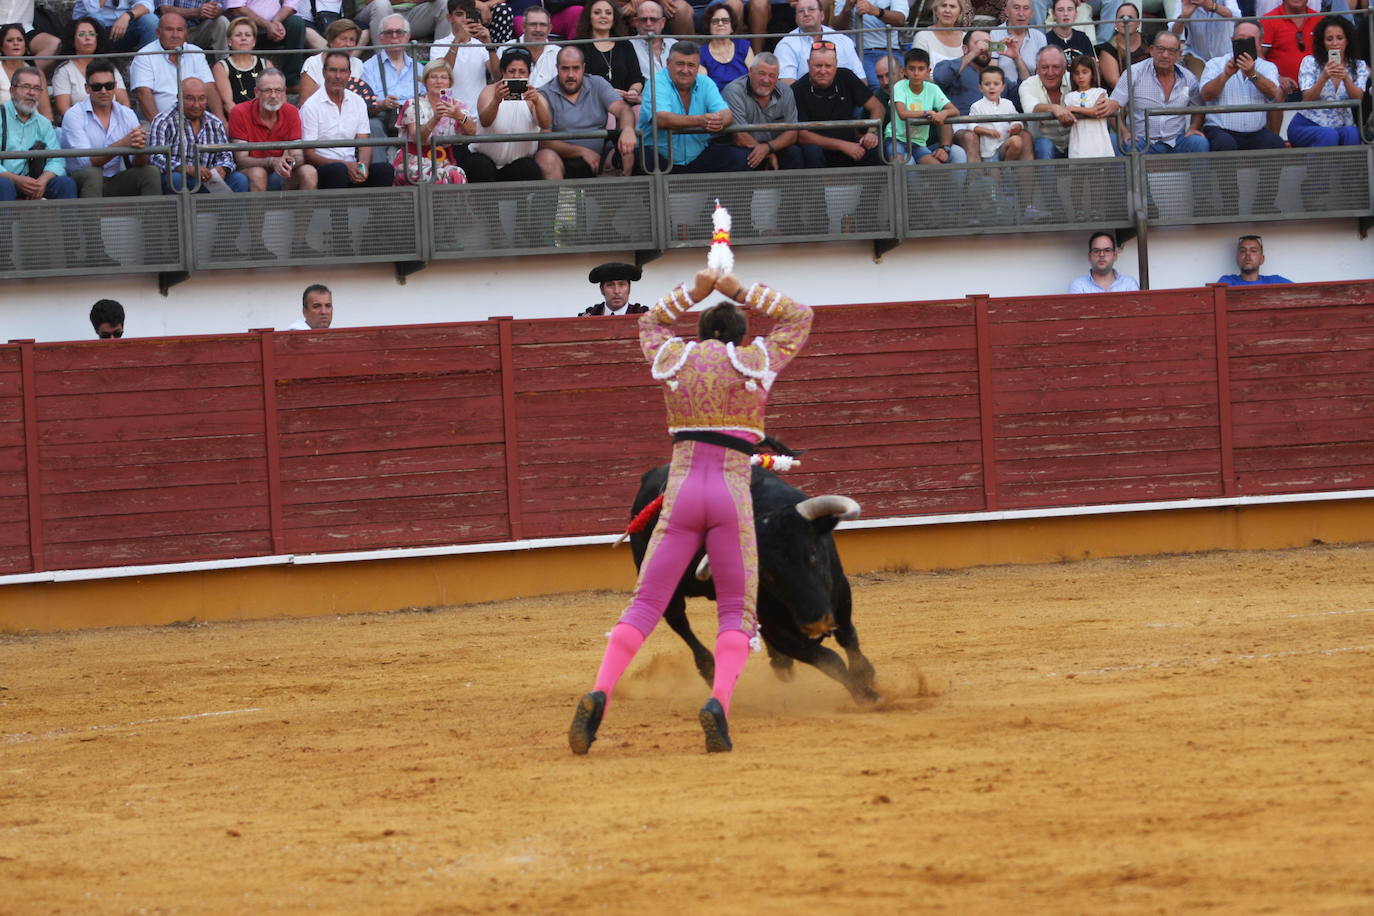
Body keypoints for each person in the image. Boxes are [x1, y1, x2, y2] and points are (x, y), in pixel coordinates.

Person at [567, 266, 814, 756]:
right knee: (736, 612)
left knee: (644, 604)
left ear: (698, 333)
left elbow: (649, 322)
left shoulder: (673, 359)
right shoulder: (756, 361)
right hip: (729, 494)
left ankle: (600, 691)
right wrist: (739, 288)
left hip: (680, 495)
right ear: (742, 335)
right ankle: (718, 703)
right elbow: (798, 316)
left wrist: (695, 290)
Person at [636, 41, 747, 173]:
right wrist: (701, 120)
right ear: (667, 63)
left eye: (691, 65)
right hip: (659, 159)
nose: (685, 70)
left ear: (698, 67)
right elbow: (661, 119)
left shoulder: (706, 82)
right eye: (680, 64)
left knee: (740, 158)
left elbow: (727, 114)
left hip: (698, 157)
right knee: (639, 157)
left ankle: (717, 194)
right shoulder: (656, 82)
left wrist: (718, 120)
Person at [61, 60, 161, 198]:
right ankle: (90, 220)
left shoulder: (126, 113)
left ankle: (154, 219)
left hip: (113, 179)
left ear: (115, 87)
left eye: (109, 86)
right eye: (97, 87)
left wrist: (140, 148)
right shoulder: (74, 115)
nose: (104, 91)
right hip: (79, 179)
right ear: (87, 88)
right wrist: (123, 144)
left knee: (150, 172)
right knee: (93, 173)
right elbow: (87, 162)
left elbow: (136, 163)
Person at [536, 45, 637, 178]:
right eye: (565, 69)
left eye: (576, 68)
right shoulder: (545, 93)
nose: (570, 75)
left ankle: (618, 197)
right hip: (562, 158)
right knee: (545, 157)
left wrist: (628, 129)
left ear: (583, 68)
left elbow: (623, 109)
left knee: (627, 149)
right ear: (557, 69)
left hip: (600, 157)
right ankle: (561, 198)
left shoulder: (597, 84)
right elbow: (544, 141)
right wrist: (582, 152)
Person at [302, 50, 398, 187]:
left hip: (352, 166)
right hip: (325, 168)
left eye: (343, 71)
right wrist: (346, 166)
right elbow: (309, 154)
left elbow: (364, 143)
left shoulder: (358, 101)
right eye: (333, 70)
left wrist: (362, 167)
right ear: (324, 73)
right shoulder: (311, 106)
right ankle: (339, 209)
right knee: (338, 170)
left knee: (385, 170)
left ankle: (378, 209)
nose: (338, 76)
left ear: (349, 74)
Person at [1110, 31, 1206, 153]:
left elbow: (1199, 108)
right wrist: (1124, 133)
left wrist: (1193, 127)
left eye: (1171, 51)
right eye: (1161, 49)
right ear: (1151, 50)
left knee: (1199, 142)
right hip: (1141, 142)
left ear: (1179, 54)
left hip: (1176, 141)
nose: (1165, 55)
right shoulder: (1134, 73)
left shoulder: (1188, 78)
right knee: (1125, 144)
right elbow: (1112, 107)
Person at [793, 42, 886, 168]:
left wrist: (871, 132)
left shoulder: (846, 76)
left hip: (851, 145)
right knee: (811, 151)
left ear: (836, 65)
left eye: (828, 66)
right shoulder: (798, 89)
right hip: (821, 148)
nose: (823, 71)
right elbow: (801, 136)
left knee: (877, 148)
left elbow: (877, 108)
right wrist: (843, 145)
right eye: (818, 65)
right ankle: (815, 188)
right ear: (809, 63)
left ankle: (872, 188)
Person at [148, 77, 250, 192]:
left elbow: (226, 155)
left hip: (208, 179)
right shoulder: (163, 121)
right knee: (175, 179)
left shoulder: (215, 122)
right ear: (178, 98)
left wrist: (222, 168)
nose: (196, 105)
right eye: (190, 99)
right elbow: (154, 157)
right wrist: (185, 169)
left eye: (201, 99)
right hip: (180, 177)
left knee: (239, 180)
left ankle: (226, 210)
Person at [934, 29, 1018, 163]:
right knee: (970, 137)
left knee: (1024, 137)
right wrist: (974, 53)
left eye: (988, 44)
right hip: (962, 127)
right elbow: (941, 78)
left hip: (995, 127)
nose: (984, 48)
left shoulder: (995, 76)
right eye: (979, 44)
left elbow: (1021, 95)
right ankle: (977, 183)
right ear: (965, 48)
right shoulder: (951, 65)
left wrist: (1017, 58)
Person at [1199, 20, 1283, 152]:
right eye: (1240, 39)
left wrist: (1252, 74)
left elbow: (1273, 92)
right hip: (1220, 130)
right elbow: (1206, 95)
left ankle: (1268, 175)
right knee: (1225, 143)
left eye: (1250, 40)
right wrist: (1225, 75)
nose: (1245, 43)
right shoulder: (1215, 63)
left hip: (1256, 133)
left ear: (1260, 44)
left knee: (1274, 143)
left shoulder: (1268, 67)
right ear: (1232, 40)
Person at [228, 67, 319, 189]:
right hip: (252, 171)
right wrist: (271, 161)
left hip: (282, 172)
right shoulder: (239, 112)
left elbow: (298, 156)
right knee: (258, 173)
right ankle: (259, 209)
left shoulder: (291, 111)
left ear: (285, 91)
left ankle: (303, 209)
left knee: (309, 172)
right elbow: (241, 160)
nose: (273, 95)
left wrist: (289, 163)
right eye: (267, 90)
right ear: (256, 92)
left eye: (278, 90)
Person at [471, 48, 549, 181]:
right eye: (512, 71)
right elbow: (485, 121)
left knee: (529, 168)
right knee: (480, 167)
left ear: (529, 74)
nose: (516, 76)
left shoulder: (535, 96)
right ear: (503, 72)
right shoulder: (489, 91)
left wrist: (536, 101)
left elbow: (545, 124)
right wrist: (496, 100)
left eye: (522, 72)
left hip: (519, 164)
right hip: (484, 160)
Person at [0, 67, 77, 201]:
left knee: (65, 184)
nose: (31, 93)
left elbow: (57, 159)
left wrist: (43, 180)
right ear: (12, 91)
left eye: (36, 88)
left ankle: (73, 223)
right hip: (4, 179)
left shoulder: (44, 123)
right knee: (4, 185)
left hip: (33, 182)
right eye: (26, 87)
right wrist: (16, 179)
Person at [1290, 15, 1367, 146]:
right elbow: (1307, 98)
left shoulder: (1359, 65)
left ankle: (1351, 167)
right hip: (1308, 123)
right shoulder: (1310, 62)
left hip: (1341, 123)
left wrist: (1346, 78)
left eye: (1340, 38)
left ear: (1347, 41)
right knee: (1328, 135)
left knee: (1352, 132)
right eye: (1329, 39)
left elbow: (1357, 98)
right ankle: (1317, 167)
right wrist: (1323, 78)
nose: (1335, 43)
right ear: (1323, 42)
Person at [391, 59, 472, 184]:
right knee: (440, 177)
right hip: (413, 160)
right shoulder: (413, 104)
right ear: (426, 81)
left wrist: (459, 116)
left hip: (444, 160)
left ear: (450, 82)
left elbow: (473, 132)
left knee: (457, 175)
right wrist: (435, 118)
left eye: (443, 77)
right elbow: (418, 138)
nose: (439, 81)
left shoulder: (457, 106)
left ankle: (457, 205)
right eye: (433, 77)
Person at [131, 12, 219, 122]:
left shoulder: (196, 52)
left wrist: (220, 119)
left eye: (180, 30)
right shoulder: (144, 55)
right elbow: (143, 94)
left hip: (194, 121)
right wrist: (160, 126)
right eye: (169, 29)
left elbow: (209, 87)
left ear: (186, 33)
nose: (175, 35)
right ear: (158, 32)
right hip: (156, 122)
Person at [886, 47, 966, 165]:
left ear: (928, 71)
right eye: (912, 69)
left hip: (918, 142)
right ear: (905, 71)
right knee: (898, 164)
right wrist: (927, 113)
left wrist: (942, 113)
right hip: (895, 139)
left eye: (921, 69)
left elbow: (954, 110)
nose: (916, 73)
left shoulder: (933, 89)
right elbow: (902, 113)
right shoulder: (899, 86)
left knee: (934, 169)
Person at [722, 53, 801, 170]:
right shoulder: (734, 91)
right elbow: (739, 135)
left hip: (773, 146)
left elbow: (792, 133)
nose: (766, 80)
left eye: (772, 75)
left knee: (794, 153)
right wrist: (767, 153)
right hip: (744, 147)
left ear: (778, 77)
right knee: (742, 157)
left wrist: (767, 148)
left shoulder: (786, 91)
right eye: (762, 74)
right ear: (750, 72)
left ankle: (793, 189)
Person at [50, 18, 133, 119]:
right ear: (72, 40)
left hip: (114, 123)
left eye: (92, 34)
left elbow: (124, 102)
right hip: (80, 124)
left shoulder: (109, 66)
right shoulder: (63, 71)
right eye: (81, 34)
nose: (87, 38)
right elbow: (64, 109)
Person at [361, 12, 423, 138]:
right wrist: (382, 104)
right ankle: (381, 159)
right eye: (389, 32)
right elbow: (363, 107)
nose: (394, 37)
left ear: (408, 36)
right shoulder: (368, 67)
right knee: (372, 125)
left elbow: (433, 97)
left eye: (399, 32)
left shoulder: (419, 68)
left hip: (413, 121)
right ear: (380, 38)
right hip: (384, 121)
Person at [774, 0, 864, 84]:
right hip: (805, 99)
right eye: (801, 11)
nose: (806, 14)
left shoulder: (843, 41)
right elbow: (787, 86)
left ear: (822, 15)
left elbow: (862, 81)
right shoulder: (786, 45)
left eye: (811, 9)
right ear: (796, 18)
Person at [432, 0, 500, 112]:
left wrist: (490, 45)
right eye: (459, 14)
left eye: (468, 14)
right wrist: (457, 40)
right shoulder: (439, 44)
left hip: (478, 114)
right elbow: (442, 73)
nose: (464, 19)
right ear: (449, 18)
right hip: (450, 114)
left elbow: (498, 76)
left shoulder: (481, 45)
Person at [574, 0, 643, 107]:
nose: (603, 16)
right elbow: (578, 82)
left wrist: (633, 91)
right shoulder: (579, 46)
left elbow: (636, 78)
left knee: (639, 110)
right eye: (597, 13)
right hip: (592, 103)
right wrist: (607, 93)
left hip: (625, 103)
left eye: (608, 13)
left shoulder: (625, 45)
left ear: (614, 19)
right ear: (589, 17)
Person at [223, 0, 306, 86]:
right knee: (239, 27)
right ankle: (238, 82)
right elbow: (236, 7)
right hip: (248, 25)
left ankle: (291, 82)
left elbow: (290, 5)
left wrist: (275, 22)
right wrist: (267, 25)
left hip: (275, 26)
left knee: (296, 23)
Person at [832, 0, 908, 90]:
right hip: (860, 52)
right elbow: (837, 28)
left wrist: (875, 11)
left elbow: (900, 19)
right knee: (877, 85)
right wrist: (847, 8)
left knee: (904, 85)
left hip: (890, 50)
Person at [1021, 45, 1075, 160]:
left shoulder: (1074, 79)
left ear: (1065, 68)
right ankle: (1045, 179)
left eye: (1056, 67)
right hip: (1045, 149)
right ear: (1037, 69)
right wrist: (1054, 108)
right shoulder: (1028, 84)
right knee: (1044, 145)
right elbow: (1029, 109)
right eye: (1045, 67)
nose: (1050, 73)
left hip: (1075, 144)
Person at [1260, 0, 1321, 99]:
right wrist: (1276, 77)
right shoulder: (1268, 20)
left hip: (1316, 90)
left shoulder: (1320, 19)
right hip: (1283, 92)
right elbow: (1259, 57)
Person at [971, 65, 1032, 162]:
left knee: (1017, 141)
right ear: (980, 88)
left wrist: (1016, 126)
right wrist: (988, 131)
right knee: (995, 177)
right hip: (989, 151)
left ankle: (1007, 167)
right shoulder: (976, 106)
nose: (991, 87)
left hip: (1005, 145)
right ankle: (1001, 174)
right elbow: (971, 125)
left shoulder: (1008, 103)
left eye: (996, 84)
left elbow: (1016, 120)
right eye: (987, 84)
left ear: (1003, 87)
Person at [1168, 0, 1240, 79]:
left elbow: (1238, 17)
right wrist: (1183, 17)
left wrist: (1213, 6)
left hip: (1226, 56)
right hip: (1197, 55)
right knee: (1199, 87)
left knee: (1226, 86)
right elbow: (1173, 33)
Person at [298, 17, 364, 103]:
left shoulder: (358, 64)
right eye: (343, 39)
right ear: (331, 41)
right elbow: (305, 103)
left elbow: (361, 100)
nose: (348, 44)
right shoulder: (312, 63)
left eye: (352, 40)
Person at [1066, 48, 1114, 158]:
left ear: (1092, 74)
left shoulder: (1100, 93)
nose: (1081, 76)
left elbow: (1097, 111)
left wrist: (1075, 108)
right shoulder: (1069, 97)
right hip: (1078, 147)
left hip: (1099, 146)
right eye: (1077, 73)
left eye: (1085, 72)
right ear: (1072, 76)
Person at [212, 16, 265, 114]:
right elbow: (228, 104)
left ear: (254, 41)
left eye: (248, 35)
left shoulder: (265, 64)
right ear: (229, 41)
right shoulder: (221, 67)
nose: (243, 38)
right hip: (237, 119)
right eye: (238, 35)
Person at [65, 2, 154, 60]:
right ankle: (96, 63)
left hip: (124, 28)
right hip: (94, 31)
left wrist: (127, 16)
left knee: (150, 20)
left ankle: (145, 64)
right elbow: (93, 8)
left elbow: (147, 4)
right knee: (95, 18)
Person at [498, 4, 557, 89]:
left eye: (543, 25)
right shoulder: (506, 49)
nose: (538, 29)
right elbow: (497, 81)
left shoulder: (559, 54)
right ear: (523, 27)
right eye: (533, 24)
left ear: (549, 28)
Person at [1, 23, 51, 122]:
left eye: (20, 40)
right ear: (1, 47)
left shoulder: (37, 73)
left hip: (34, 128)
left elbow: (46, 114)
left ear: (26, 45)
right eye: (10, 40)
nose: (16, 43)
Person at [991, 0, 1047, 84]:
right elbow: (992, 69)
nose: (1021, 13)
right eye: (1016, 8)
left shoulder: (1039, 37)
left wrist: (1017, 58)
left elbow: (1042, 75)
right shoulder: (995, 34)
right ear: (1007, 11)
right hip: (1002, 89)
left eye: (1026, 8)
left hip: (1031, 88)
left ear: (1032, 13)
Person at [699, 3, 752, 91]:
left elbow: (755, 78)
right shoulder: (701, 53)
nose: (720, 24)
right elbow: (703, 89)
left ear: (732, 26)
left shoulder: (743, 46)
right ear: (709, 27)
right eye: (715, 21)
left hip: (744, 100)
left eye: (725, 20)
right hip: (717, 101)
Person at [145, 0, 231, 53]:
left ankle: (225, 68)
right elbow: (165, 10)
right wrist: (197, 12)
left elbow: (220, 6)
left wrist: (215, 10)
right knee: (155, 22)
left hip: (200, 29)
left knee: (222, 21)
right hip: (174, 31)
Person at [1095, 0, 1146, 90]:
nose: (1125, 21)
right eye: (1121, 17)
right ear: (1115, 23)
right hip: (1123, 99)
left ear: (1138, 23)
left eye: (1130, 17)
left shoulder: (1149, 42)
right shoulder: (1108, 50)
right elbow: (1116, 84)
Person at [1069, 230, 1139, 292]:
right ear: (1089, 256)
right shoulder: (1079, 286)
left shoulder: (1129, 284)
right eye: (1096, 251)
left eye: (1107, 250)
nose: (1101, 254)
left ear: (1115, 255)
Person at [914, 0, 969, 74]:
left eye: (952, 7)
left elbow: (989, 51)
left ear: (960, 13)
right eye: (943, 6)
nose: (947, 10)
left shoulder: (968, 37)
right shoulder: (922, 36)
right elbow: (918, 70)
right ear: (936, 11)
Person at [354, 0, 448, 43]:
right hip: (375, 12)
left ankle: (440, 62)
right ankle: (382, 60)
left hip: (410, 14)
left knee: (444, 3)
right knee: (381, 3)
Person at [1218, 234, 1292, 284]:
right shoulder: (1227, 282)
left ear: (1262, 259)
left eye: (1253, 251)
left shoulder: (1275, 281)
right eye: (1242, 251)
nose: (1247, 254)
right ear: (1237, 258)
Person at [578, 260, 646, 314]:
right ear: (602, 289)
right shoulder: (590, 317)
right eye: (610, 285)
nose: (616, 291)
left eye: (621, 284)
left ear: (629, 288)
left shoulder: (643, 317)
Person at [630, 0, 676, 79]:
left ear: (662, 22)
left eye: (653, 19)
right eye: (644, 19)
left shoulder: (674, 44)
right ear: (636, 22)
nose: (648, 24)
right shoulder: (628, 47)